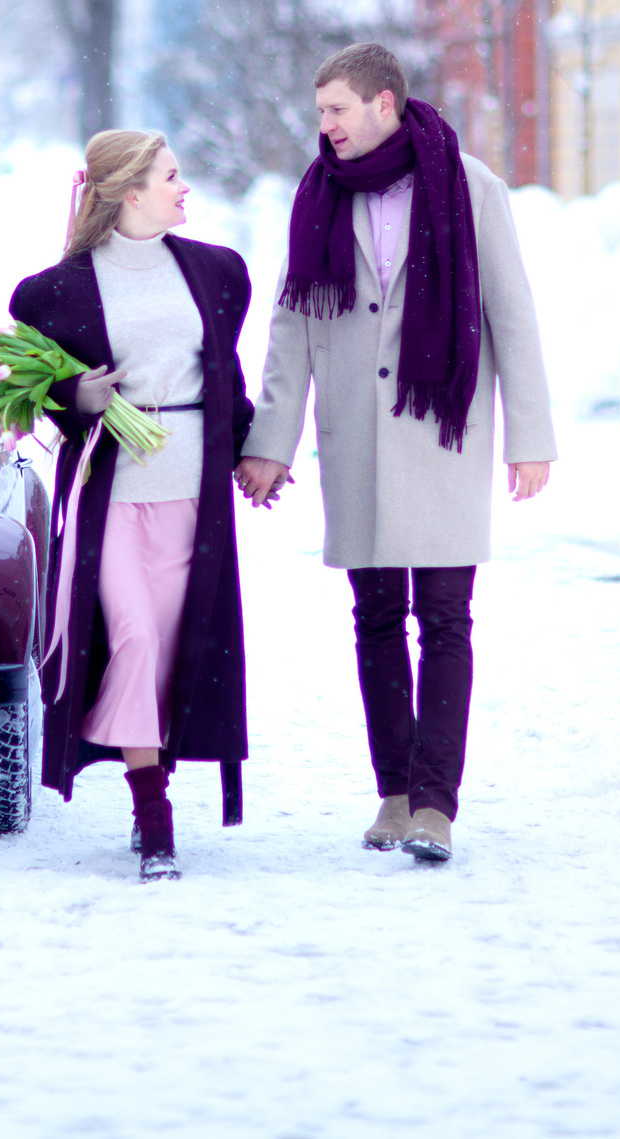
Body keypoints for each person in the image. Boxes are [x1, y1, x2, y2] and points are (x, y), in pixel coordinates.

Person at [237, 43, 554, 865]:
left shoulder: (469, 187)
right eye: (320, 114)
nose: (326, 127)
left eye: (338, 110)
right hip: (358, 438)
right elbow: (292, 328)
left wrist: (531, 437)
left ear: (384, 104)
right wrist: (270, 442)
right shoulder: (318, 197)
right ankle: (395, 792)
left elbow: (512, 315)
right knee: (376, 618)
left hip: (443, 431)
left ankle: (438, 804)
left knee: (446, 618)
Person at [11, 129, 254, 881]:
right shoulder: (53, 292)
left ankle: (155, 771)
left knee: (176, 651)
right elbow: (35, 394)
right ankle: (154, 821)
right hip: (109, 497)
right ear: (126, 191)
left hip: (191, 491)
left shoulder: (217, 273)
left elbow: (228, 381)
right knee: (135, 638)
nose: (186, 189)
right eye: (173, 176)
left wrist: (254, 455)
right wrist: (74, 396)